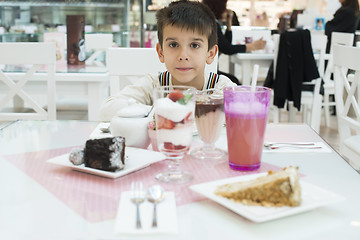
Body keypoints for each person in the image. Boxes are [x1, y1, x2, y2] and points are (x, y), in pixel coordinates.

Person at [99, 0, 236, 121]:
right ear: (161, 52)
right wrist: (160, 112)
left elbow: (244, 114)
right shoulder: (154, 85)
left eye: (194, 45)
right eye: (174, 45)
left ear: (210, 54)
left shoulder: (221, 88)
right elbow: (107, 109)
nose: (183, 55)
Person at [202, 0, 266, 85]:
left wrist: (229, 24)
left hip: (208, 70)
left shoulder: (211, 22)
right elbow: (228, 49)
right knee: (234, 82)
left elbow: (226, 43)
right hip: (208, 72)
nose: (227, 10)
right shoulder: (212, 23)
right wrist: (252, 46)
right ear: (219, 7)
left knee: (234, 80)